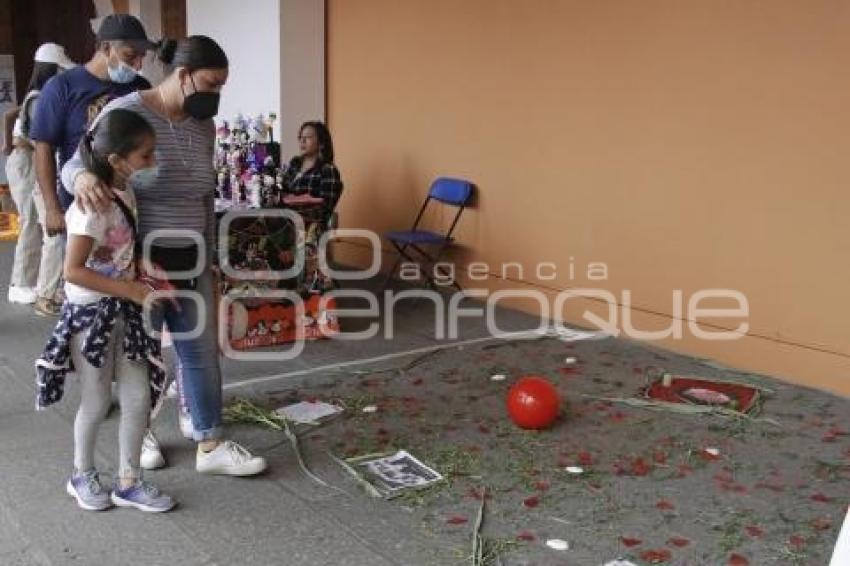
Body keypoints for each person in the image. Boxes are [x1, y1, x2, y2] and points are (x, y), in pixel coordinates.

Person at [63, 36, 267, 477]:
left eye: (221, 88)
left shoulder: (202, 126)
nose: (215, 96)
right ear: (182, 74)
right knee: (145, 352)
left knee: (200, 350)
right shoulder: (127, 112)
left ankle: (209, 442)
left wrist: (212, 256)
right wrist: (80, 178)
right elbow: (77, 160)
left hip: (192, 254)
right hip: (143, 261)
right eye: (210, 84)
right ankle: (145, 433)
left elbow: (204, 194)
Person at [35, 108, 175, 513]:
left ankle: (130, 481)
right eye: (145, 156)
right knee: (95, 401)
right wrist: (129, 288)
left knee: (137, 397)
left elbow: (119, 248)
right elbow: (72, 271)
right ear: (116, 160)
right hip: (91, 317)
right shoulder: (92, 206)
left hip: (124, 311)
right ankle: (81, 474)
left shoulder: (124, 192)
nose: (152, 163)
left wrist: (141, 267)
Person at [28, 14, 154, 317]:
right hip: (82, 203)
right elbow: (43, 148)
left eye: (141, 57)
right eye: (130, 56)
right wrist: (52, 207)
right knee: (85, 289)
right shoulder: (62, 87)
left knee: (121, 278)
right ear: (105, 47)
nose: (137, 65)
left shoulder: (140, 88)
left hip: (127, 203)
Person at [5, 44, 76, 307]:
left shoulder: (35, 93)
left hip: (23, 157)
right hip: (26, 160)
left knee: (34, 222)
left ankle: (29, 282)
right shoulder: (39, 96)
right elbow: (41, 140)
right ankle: (20, 284)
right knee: (30, 221)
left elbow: (11, 114)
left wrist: (7, 143)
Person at [281, 121, 344, 219]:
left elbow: (325, 209)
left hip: (307, 226)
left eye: (308, 137)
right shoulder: (294, 164)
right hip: (284, 218)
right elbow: (282, 192)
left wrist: (296, 202)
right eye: (301, 137)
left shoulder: (328, 170)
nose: (302, 141)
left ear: (321, 143)